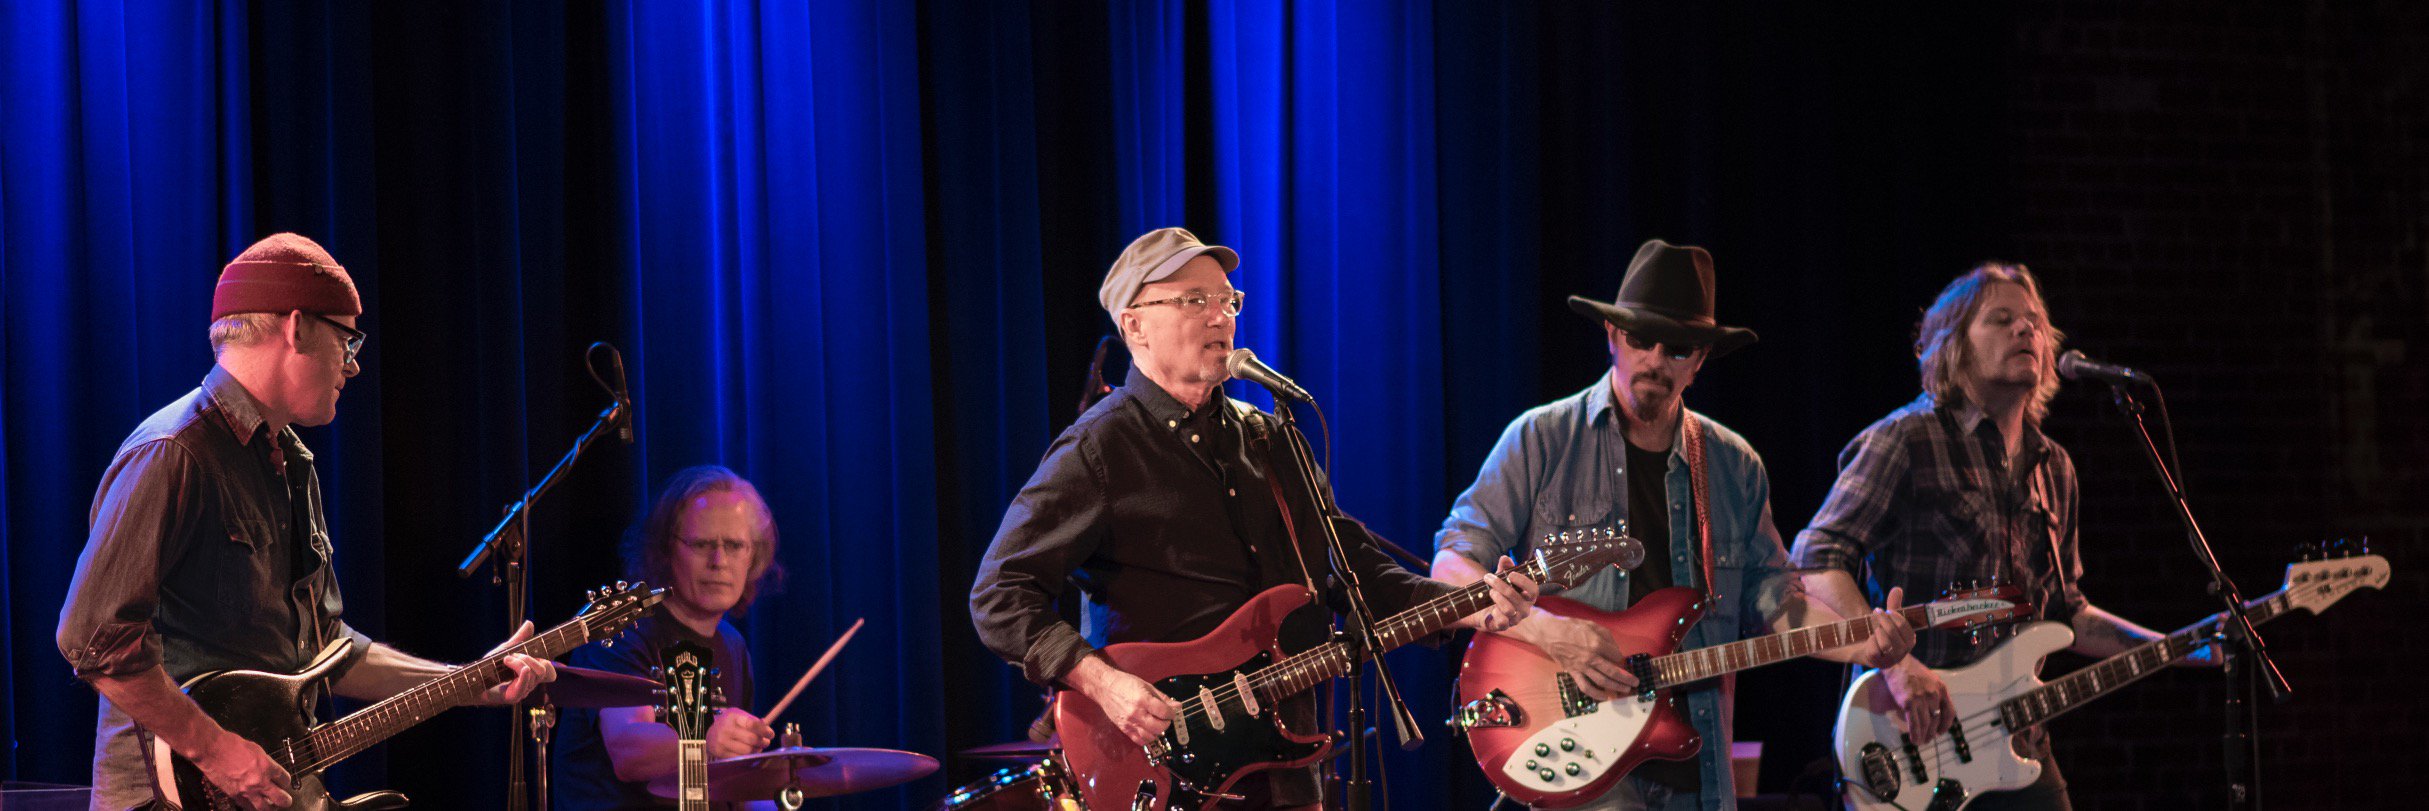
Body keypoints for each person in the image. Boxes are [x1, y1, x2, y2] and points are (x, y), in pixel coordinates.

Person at [970, 227, 1539, 810]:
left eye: (1228, 300)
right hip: (1165, 769)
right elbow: (999, 594)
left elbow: (1354, 572)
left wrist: (1474, 606)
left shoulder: (1270, 438)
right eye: (1195, 300)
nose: (1221, 316)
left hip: (1285, 767)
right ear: (1135, 324)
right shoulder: (1099, 448)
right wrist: (1103, 682)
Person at [55, 233, 556, 811]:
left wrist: (466, 681)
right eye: (347, 339)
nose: (354, 362)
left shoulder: (293, 462)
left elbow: (326, 646)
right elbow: (92, 638)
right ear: (295, 328)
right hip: (167, 799)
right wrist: (216, 751)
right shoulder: (174, 451)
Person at [1435, 239, 1916, 811]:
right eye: (1641, 339)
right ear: (1612, 337)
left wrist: (1869, 641)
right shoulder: (1541, 439)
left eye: (1679, 347)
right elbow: (1450, 566)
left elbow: (1776, 600)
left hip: (1697, 764)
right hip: (1578, 750)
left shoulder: (1735, 465)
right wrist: (1548, 631)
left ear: (1701, 359)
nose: (1656, 360)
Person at [1789, 263, 2213, 811]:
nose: (2026, 331)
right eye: (2002, 319)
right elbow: (1815, 557)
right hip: (1911, 739)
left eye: (2035, 322)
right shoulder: (1905, 440)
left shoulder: (2053, 467)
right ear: (1953, 345)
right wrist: (1895, 664)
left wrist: (2181, 646)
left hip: (2019, 742)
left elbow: (2065, 613)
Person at [554, 465, 784, 810]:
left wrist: (781, 778)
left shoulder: (732, 644)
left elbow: (731, 788)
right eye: (703, 544)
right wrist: (704, 738)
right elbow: (629, 751)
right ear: (666, 549)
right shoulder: (621, 631)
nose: (719, 561)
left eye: (735, 545)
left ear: (754, 556)